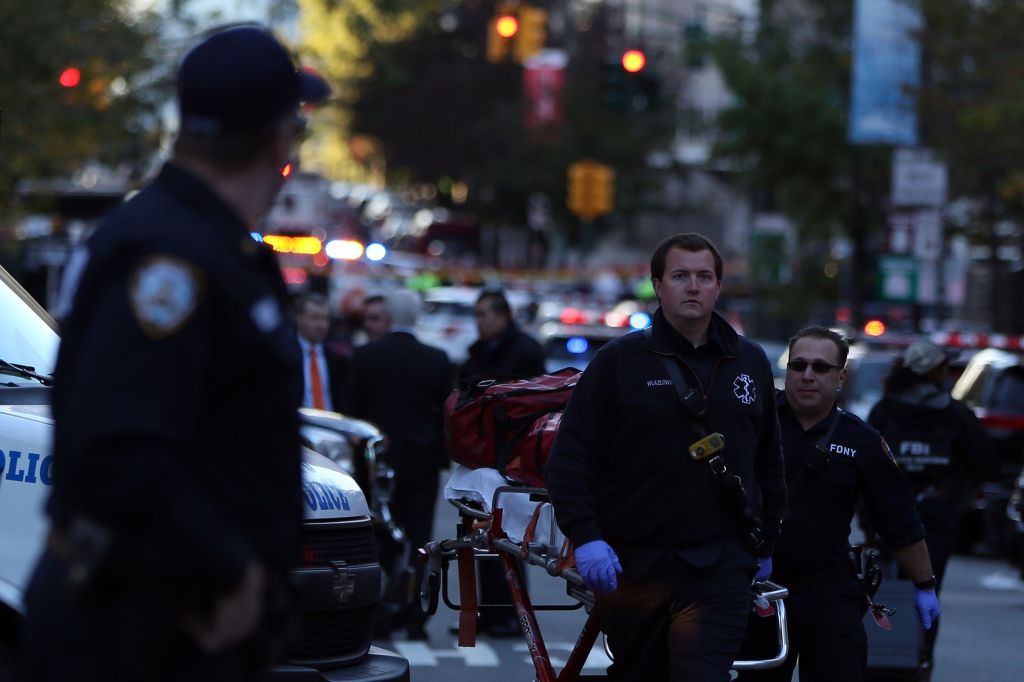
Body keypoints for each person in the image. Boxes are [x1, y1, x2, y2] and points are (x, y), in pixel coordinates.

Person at [25, 25, 329, 682]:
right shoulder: (167, 258)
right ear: (279, 139)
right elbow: (118, 449)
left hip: (183, 623)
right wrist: (227, 565)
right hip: (138, 626)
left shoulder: (219, 248)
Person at [546, 232, 787, 681]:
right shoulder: (619, 363)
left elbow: (769, 460)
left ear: (718, 286)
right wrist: (586, 536)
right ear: (658, 285)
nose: (693, 286)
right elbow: (571, 458)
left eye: (704, 276)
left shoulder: (750, 363)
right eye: (680, 276)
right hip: (635, 566)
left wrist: (766, 541)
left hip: (721, 566)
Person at [737, 327, 941, 682]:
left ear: (841, 376)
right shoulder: (754, 423)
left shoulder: (861, 441)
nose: (808, 375)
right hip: (759, 590)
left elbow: (900, 522)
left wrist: (924, 586)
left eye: (820, 367)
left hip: (828, 591)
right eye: (799, 365)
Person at [867, 341, 996, 676]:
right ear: (933, 371)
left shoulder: (884, 410)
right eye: (944, 367)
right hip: (935, 520)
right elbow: (984, 465)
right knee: (927, 590)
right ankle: (920, 660)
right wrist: (956, 497)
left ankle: (883, 658)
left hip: (887, 520)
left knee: (881, 590)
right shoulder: (955, 414)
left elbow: (862, 468)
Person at [342, 290, 452, 641]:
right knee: (422, 540)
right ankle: (416, 617)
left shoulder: (365, 356)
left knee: (381, 539)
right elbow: (446, 415)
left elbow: (351, 414)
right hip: (422, 463)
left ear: (388, 317)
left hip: (379, 465)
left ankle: (381, 615)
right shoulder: (436, 359)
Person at [458, 288, 546, 634]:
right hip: (482, 452)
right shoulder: (481, 351)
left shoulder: (521, 350)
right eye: (477, 315)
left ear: (503, 316)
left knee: (505, 534)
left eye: (485, 315)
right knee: (480, 535)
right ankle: (488, 612)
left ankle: (510, 613)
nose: (480, 322)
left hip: (509, 455)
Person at [461, 289, 545, 379]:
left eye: (482, 315)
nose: (478, 322)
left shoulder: (526, 349)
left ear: (502, 316)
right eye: (476, 315)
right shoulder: (479, 350)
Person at [294, 291, 349, 411]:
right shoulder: (286, 356)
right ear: (298, 318)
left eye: (325, 319)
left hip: (330, 425)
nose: (321, 325)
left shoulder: (337, 360)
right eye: (315, 318)